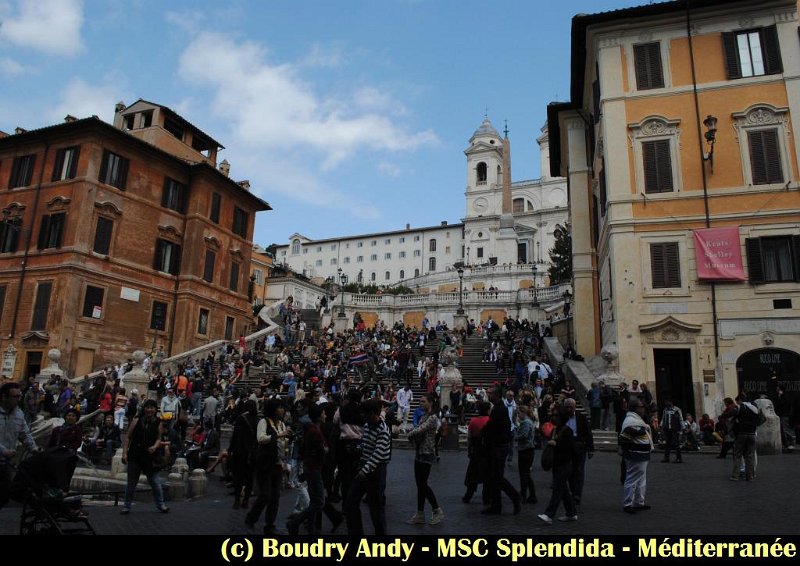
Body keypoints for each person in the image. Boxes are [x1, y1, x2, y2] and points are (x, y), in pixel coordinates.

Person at [344, 399, 391, 536]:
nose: (362, 416)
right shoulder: (368, 425)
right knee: (351, 503)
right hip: (364, 467)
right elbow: (365, 444)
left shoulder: (383, 430)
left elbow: (378, 453)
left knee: (376, 509)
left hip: (375, 471)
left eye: (364, 413)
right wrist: (357, 449)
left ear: (371, 413)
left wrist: (364, 471)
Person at [246, 399, 292, 534]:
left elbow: (283, 442)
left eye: (283, 408)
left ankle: (270, 524)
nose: (282, 410)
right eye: (279, 408)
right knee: (265, 494)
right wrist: (278, 435)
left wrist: (288, 439)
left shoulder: (282, 424)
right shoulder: (264, 422)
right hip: (265, 463)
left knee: (275, 496)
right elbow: (260, 438)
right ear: (273, 409)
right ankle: (251, 518)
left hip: (277, 463)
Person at [120, 399, 170, 514]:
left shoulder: (158, 422)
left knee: (155, 482)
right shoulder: (136, 420)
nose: (149, 410)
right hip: (135, 454)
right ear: (144, 408)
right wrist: (124, 452)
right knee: (131, 483)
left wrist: (155, 446)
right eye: (147, 407)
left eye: (152, 407)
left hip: (149, 455)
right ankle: (127, 506)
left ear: (155, 410)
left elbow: (159, 438)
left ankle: (161, 504)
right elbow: (128, 437)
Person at [481, 387, 522, 515]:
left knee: (497, 477)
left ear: (497, 395)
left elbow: (492, 427)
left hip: (498, 447)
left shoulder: (499, 409)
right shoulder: (499, 407)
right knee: (495, 477)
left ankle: (514, 496)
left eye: (491, 393)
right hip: (498, 445)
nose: (488, 394)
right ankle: (496, 505)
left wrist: (484, 432)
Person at [0, 382, 41, 509]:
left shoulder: (18, 413)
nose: (18, 399)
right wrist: (2, 450)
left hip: (4, 462)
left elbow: (24, 434)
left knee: (4, 495)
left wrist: (34, 448)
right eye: (15, 397)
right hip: (3, 455)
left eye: (19, 396)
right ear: (4, 397)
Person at [406, 393, 444, 526]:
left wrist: (409, 434)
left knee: (423, 484)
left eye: (423, 401)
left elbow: (420, 429)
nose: (420, 403)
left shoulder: (433, 417)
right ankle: (420, 514)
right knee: (420, 485)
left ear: (430, 403)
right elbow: (418, 428)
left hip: (427, 452)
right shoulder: (425, 416)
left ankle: (437, 510)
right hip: (420, 452)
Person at [537, 406, 577, 524]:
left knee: (558, 489)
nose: (553, 417)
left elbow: (572, 448)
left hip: (564, 464)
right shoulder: (556, 429)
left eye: (556, 415)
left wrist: (556, 445)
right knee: (563, 490)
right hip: (557, 463)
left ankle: (549, 514)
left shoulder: (567, 431)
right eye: (553, 415)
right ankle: (571, 512)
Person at [619, 400, 654, 513]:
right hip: (635, 455)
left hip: (642, 455)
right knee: (632, 479)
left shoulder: (637, 420)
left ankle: (639, 502)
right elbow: (625, 436)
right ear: (635, 408)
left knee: (641, 480)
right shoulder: (631, 421)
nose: (643, 408)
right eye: (641, 406)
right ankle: (628, 503)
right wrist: (643, 429)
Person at [563, 397, 593, 506]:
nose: (570, 409)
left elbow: (588, 432)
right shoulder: (562, 418)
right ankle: (572, 490)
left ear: (575, 407)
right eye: (568, 407)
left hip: (580, 445)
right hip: (567, 446)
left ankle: (577, 494)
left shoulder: (581, 417)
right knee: (569, 470)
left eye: (571, 407)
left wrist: (591, 448)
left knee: (579, 470)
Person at [463, 401, 490, 504]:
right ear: (488, 410)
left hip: (476, 450)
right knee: (487, 475)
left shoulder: (473, 421)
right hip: (487, 450)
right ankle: (486, 498)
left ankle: (468, 496)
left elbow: (469, 438)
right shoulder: (490, 420)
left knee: (473, 475)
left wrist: (469, 450)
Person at [514, 405, 537, 504]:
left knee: (523, 474)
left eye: (519, 413)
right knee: (527, 474)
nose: (518, 415)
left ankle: (523, 495)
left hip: (525, 450)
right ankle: (532, 495)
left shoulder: (525, 423)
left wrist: (516, 436)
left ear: (524, 413)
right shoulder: (530, 422)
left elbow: (524, 435)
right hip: (529, 450)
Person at [659, 398, 684, 463]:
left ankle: (679, 458)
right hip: (667, 428)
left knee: (676, 444)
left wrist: (683, 427)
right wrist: (661, 425)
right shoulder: (665, 410)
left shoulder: (677, 410)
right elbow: (663, 418)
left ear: (670, 402)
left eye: (666, 401)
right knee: (667, 444)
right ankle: (666, 458)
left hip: (675, 429)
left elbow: (681, 419)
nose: (665, 403)